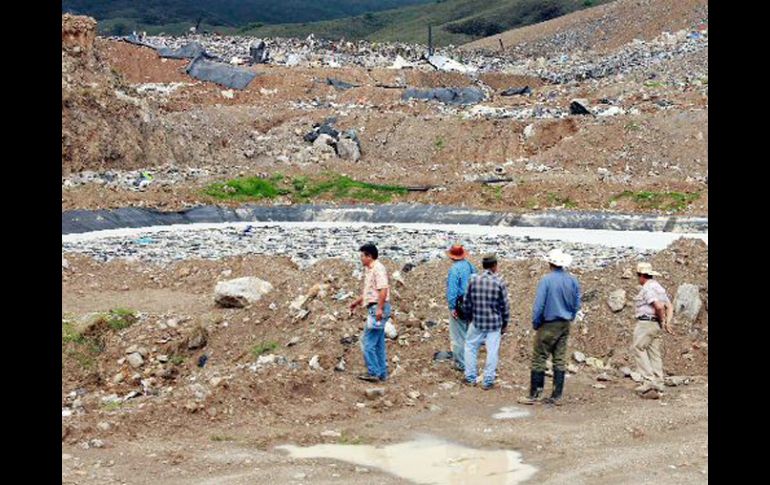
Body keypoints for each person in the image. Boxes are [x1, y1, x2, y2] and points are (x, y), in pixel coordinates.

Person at [519, 249, 581, 405]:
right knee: (559, 359)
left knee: (539, 358)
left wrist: (536, 322)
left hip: (549, 323)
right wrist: (570, 317)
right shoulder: (573, 281)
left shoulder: (546, 280)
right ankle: (557, 395)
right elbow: (577, 304)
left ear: (550, 263)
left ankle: (535, 394)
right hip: (565, 323)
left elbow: (539, 306)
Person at [461, 254, 510, 390]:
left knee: (470, 347)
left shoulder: (474, 280)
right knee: (492, 351)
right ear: (495, 266)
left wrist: (469, 317)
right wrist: (505, 323)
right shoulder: (499, 282)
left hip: (477, 321)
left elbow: (467, 302)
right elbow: (505, 306)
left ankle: (470, 377)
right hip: (494, 323)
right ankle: (488, 380)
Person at [349, 243, 391, 382]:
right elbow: (370, 292)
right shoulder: (370, 270)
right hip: (375, 306)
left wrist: (379, 308)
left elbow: (383, 289)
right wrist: (357, 302)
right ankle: (382, 373)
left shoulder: (378, 269)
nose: (361, 258)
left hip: (377, 308)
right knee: (378, 343)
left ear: (369, 256)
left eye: (362, 256)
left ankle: (373, 372)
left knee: (367, 342)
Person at [631, 262, 673, 392]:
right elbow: (669, 306)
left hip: (646, 323)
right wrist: (666, 323)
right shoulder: (659, 287)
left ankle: (648, 381)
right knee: (654, 352)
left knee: (638, 348)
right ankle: (658, 381)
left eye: (638, 276)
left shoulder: (647, 288)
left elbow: (659, 306)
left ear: (642, 275)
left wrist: (662, 318)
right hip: (655, 325)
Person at [445, 243, 477, 372]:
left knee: (458, 335)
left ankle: (461, 363)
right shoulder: (470, 266)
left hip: (460, 304)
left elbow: (452, 291)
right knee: (469, 335)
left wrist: (452, 308)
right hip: (471, 303)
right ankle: (470, 361)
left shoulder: (454, 270)